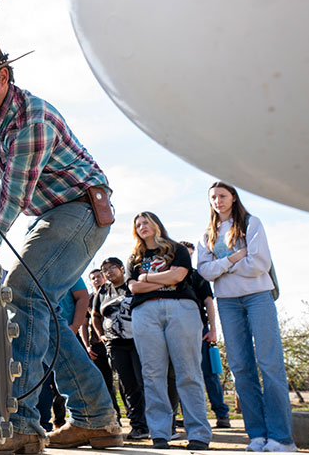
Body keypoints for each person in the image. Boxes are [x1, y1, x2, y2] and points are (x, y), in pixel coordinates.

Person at [0, 34, 119, 453]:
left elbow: (12, 197)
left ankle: (20, 425)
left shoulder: (34, 118)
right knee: (43, 311)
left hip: (82, 208)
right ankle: (97, 419)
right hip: (49, 213)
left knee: (24, 291)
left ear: (3, 77)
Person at [197, 182, 294, 452]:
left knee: (269, 363)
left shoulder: (252, 224)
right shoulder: (208, 234)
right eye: (213, 197)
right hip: (227, 303)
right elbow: (204, 271)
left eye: (222, 196)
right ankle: (257, 435)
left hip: (258, 296)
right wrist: (233, 260)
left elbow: (259, 263)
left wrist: (222, 268)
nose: (218, 201)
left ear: (233, 197)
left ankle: (281, 438)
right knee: (241, 368)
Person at [127, 212, 211, 450]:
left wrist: (147, 278)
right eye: (138, 224)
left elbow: (179, 275)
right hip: (145, 312)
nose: (142, 227)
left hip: (181, 308)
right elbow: (133, 286)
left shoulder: (177, 249)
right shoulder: (134, 256)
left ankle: (198, 434)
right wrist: (164, 280)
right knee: (153, 375)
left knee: (189, 372)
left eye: (146, 222)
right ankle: (160, 434)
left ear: (156, 225)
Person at [93, 257, 149, 440]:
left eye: (112, 268)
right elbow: (95, 316)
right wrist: (101, 335)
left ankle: (155, 423)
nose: (108, 272)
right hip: (115, 345)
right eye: (105, 270)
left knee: (143, 382)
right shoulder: (102, 292)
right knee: (127, 385)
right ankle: (138, 426)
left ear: (122, 268)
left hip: (138, 341)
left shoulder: (132, 287)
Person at [179, 240, 231, 428]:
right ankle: (190, 416)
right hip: (176, 332)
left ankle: (222, 414)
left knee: (209, 374)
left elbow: (209, 302)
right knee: (183, 375)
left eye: (190, 253)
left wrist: (213, 330)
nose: (187, 255)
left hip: (200, 331)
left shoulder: (197, 276)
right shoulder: (168, 277)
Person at [37, 278, 89, 431]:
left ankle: (83, 423)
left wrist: (74, 327)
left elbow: (83, 297)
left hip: (68, 334)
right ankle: (43, 427)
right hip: (41, 335)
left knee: (73, 380)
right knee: (42, 384)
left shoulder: (69, 270)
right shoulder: (30, 269)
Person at [86, 269, 122, 422]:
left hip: (114, 341)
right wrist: (87, 346)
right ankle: (114, 417)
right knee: (105, 384)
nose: (96, 280)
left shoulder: (113, 294)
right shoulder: (90, 299)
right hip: (96, 345)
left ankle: (135, 419)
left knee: (122, 380)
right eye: (93, 278)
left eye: (99, 276)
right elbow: (84, 323)